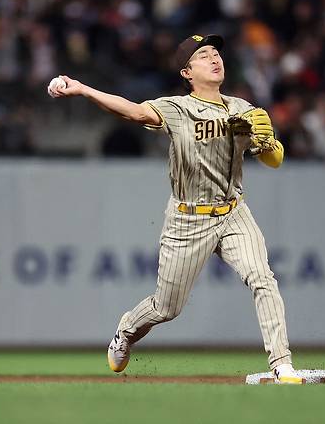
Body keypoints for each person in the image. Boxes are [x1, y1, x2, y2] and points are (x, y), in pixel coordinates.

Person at [49, 34, 304, 384]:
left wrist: (268, 141)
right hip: (188, 219)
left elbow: (274, 161)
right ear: (187, 71)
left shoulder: (244, 109)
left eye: (216, 53)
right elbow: (135, 111)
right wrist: (84, 90)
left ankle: (282, 363)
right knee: (166, 307)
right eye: (204, 55)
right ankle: (125, 330)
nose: (215, 58)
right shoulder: (177, 108)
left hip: (233, 212)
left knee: (263, 279)